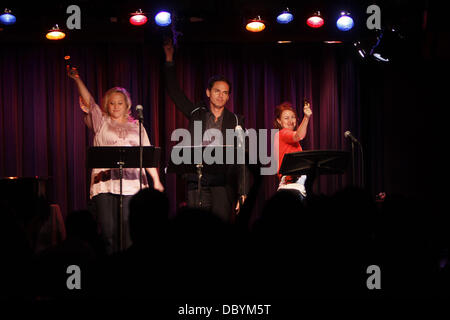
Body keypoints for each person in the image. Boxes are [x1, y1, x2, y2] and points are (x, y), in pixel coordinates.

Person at [68, 68, 164, 254]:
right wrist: (77, 79)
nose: (116, 106)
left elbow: (147, 156)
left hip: (132, 186)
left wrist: (157, 181)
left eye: (120, 103)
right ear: (107, 105)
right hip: (105, 185)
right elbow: (89, 102)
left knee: (129, 233)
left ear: (127, 105)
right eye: (112, 103)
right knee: (108, 232)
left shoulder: (138, 127)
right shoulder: (101, 122)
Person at [163, 39, 248, 223]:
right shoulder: (196, 113)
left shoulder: (235, 121)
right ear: (208, 92)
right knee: (197, 230)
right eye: (217, 91)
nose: (221, 95)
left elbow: (242, 159)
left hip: (223, 184)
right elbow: (175, 92)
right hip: (198, 181)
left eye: (225, 92)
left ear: (228, 96)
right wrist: (169, 59)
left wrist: (243, 192)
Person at [274, 100, 312, 199]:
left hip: (294, 186)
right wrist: (306, 117)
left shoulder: (287, 138)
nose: (291, 121)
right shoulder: (282, 133)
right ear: (279, 121)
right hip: (291, 186)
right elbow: (299, 135)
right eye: (286, 118)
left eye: (293, 117)